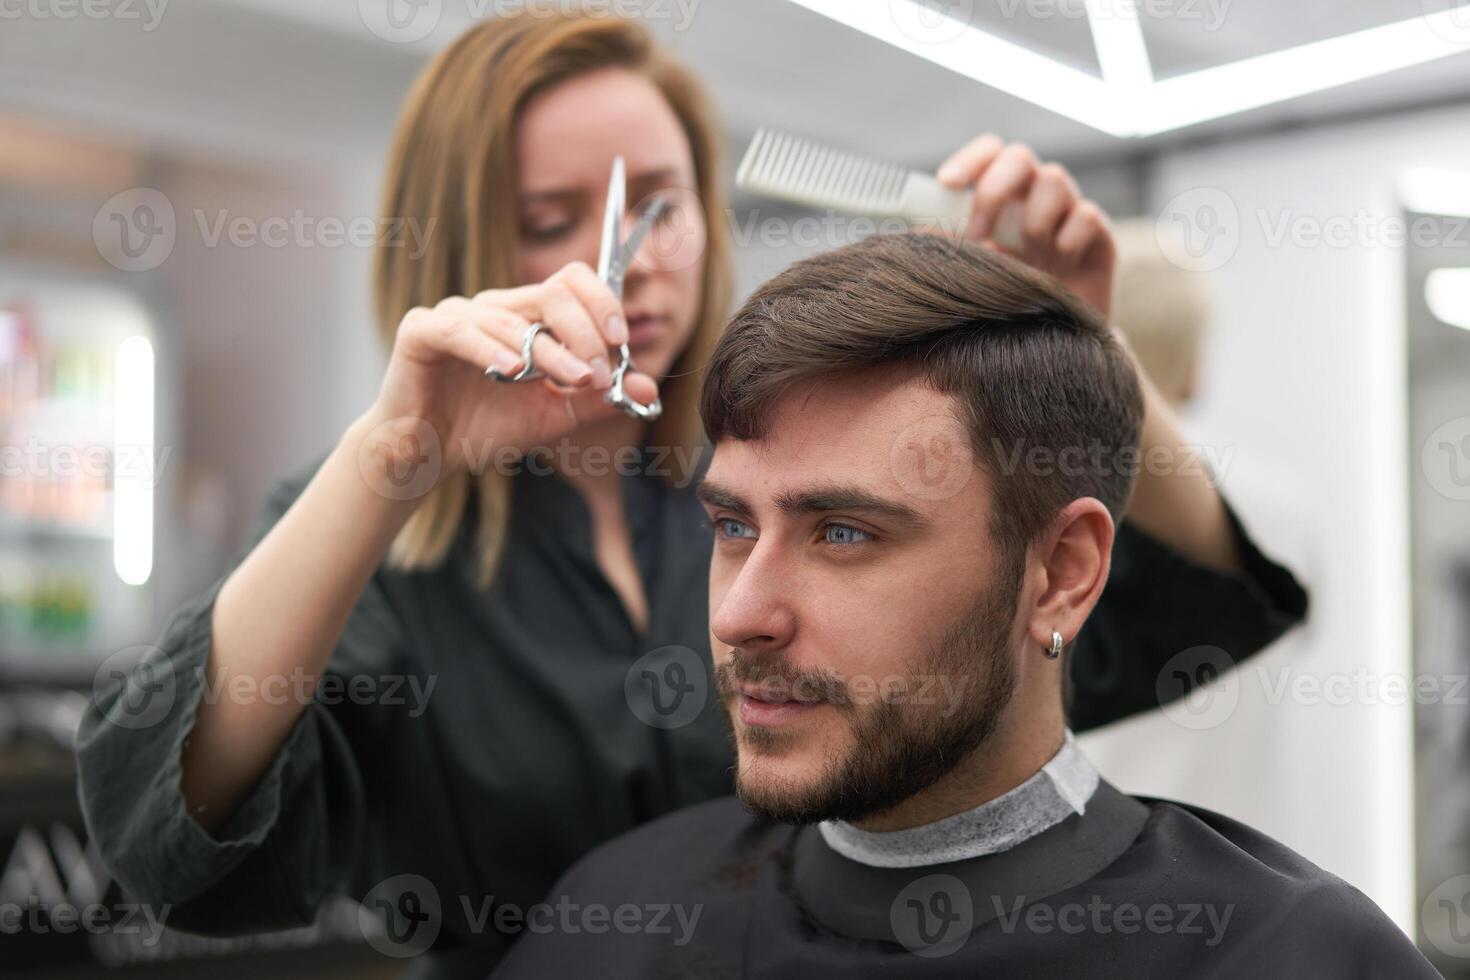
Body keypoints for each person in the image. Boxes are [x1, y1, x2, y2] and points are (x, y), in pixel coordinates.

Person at [74, 11, 1306, 978]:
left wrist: (1082, 347)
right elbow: (161, 822)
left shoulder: (766, 472)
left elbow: (1192, 607)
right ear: (452, 247)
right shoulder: (385, 541)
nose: (631, 259)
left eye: (661, 204)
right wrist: (391, 459)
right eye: (554, 217)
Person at [490, 232, 1431, 978]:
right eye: (734, 526)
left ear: (1061, 573)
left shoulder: (1290, 955)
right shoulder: (616, 917)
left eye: (845, 534)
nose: (741, 615)